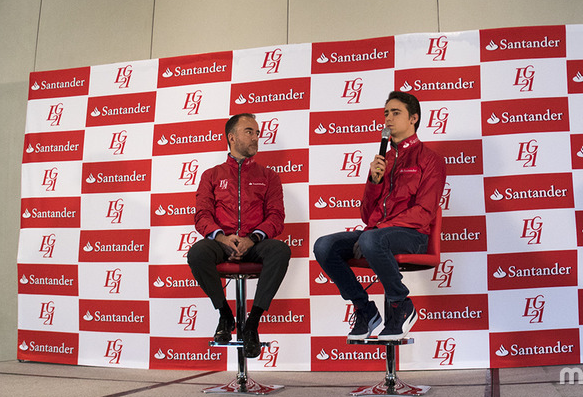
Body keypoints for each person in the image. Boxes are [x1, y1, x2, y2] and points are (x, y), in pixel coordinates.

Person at [314, 91, 446, 341]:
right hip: (376, 234)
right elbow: (366, 215)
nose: (388, 118)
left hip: (413, 235)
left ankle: (400, 304)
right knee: (324, 246)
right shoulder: (383, 159)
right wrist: (374, 181)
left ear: (413, 118)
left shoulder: (430, 159)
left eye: (396, 113)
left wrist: (377, 231)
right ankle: (364, 309)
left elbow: (424, 213)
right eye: (386, 113)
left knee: (371, 240)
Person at [187, 113, 291, 358]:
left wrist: (251, 239)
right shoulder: (210, 175)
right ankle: (225, 315)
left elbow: (276, 216)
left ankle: (252, 323)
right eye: (249, 132)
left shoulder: (269, 176)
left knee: (281, 250)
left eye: (257, 132)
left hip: (254, 242)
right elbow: (202, 215)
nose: (256, 137)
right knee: (197, 252)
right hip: (221, 243)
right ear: (231, 137)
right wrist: (222, 238)